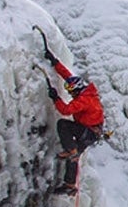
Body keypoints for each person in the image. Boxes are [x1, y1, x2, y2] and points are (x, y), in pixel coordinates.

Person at [44, 47, 104, 195]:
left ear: (76, 90)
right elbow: (68, 76)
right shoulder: (86, 92)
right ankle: (70, 185)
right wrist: (55, 62)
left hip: (87, 131)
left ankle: (70, 149)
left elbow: (65, 110)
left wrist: (56, 98)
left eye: (71, 92)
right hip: (91, 132)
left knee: (62, 125)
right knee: (74, 157)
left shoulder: (84, 100)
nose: (71, 95)